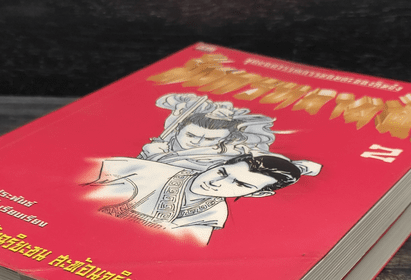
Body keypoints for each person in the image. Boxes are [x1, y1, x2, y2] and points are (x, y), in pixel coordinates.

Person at [90, 153, 320, 245]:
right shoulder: (139, 169)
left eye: (240, 184)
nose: (216, 183)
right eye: (222, 172)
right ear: (218, 164)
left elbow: (176, 251)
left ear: (258, 194)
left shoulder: (213, 215)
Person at [139, 94, 276, 171]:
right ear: (178, 130)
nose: (196, 142)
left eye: (209, 139)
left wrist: (155, 156)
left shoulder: (228, 156)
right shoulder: (162, 143)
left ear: (227, 140)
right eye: (191, 135)